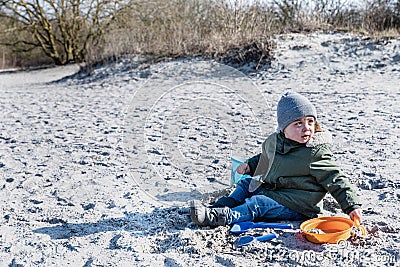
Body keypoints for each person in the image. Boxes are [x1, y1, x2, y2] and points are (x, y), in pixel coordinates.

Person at [190, 91, 363, 227]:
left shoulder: (315, 152)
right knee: (245, 184)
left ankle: (218, 218)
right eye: (298, 123)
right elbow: (266, 158)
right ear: (284, 127)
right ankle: (220, 206)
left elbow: (335, 179)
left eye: (310, 122)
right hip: (275, 190)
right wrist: (250, 165)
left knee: (256, 204)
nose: (306, 128)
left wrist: (351, 206)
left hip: (298, 204)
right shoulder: (275, 141)